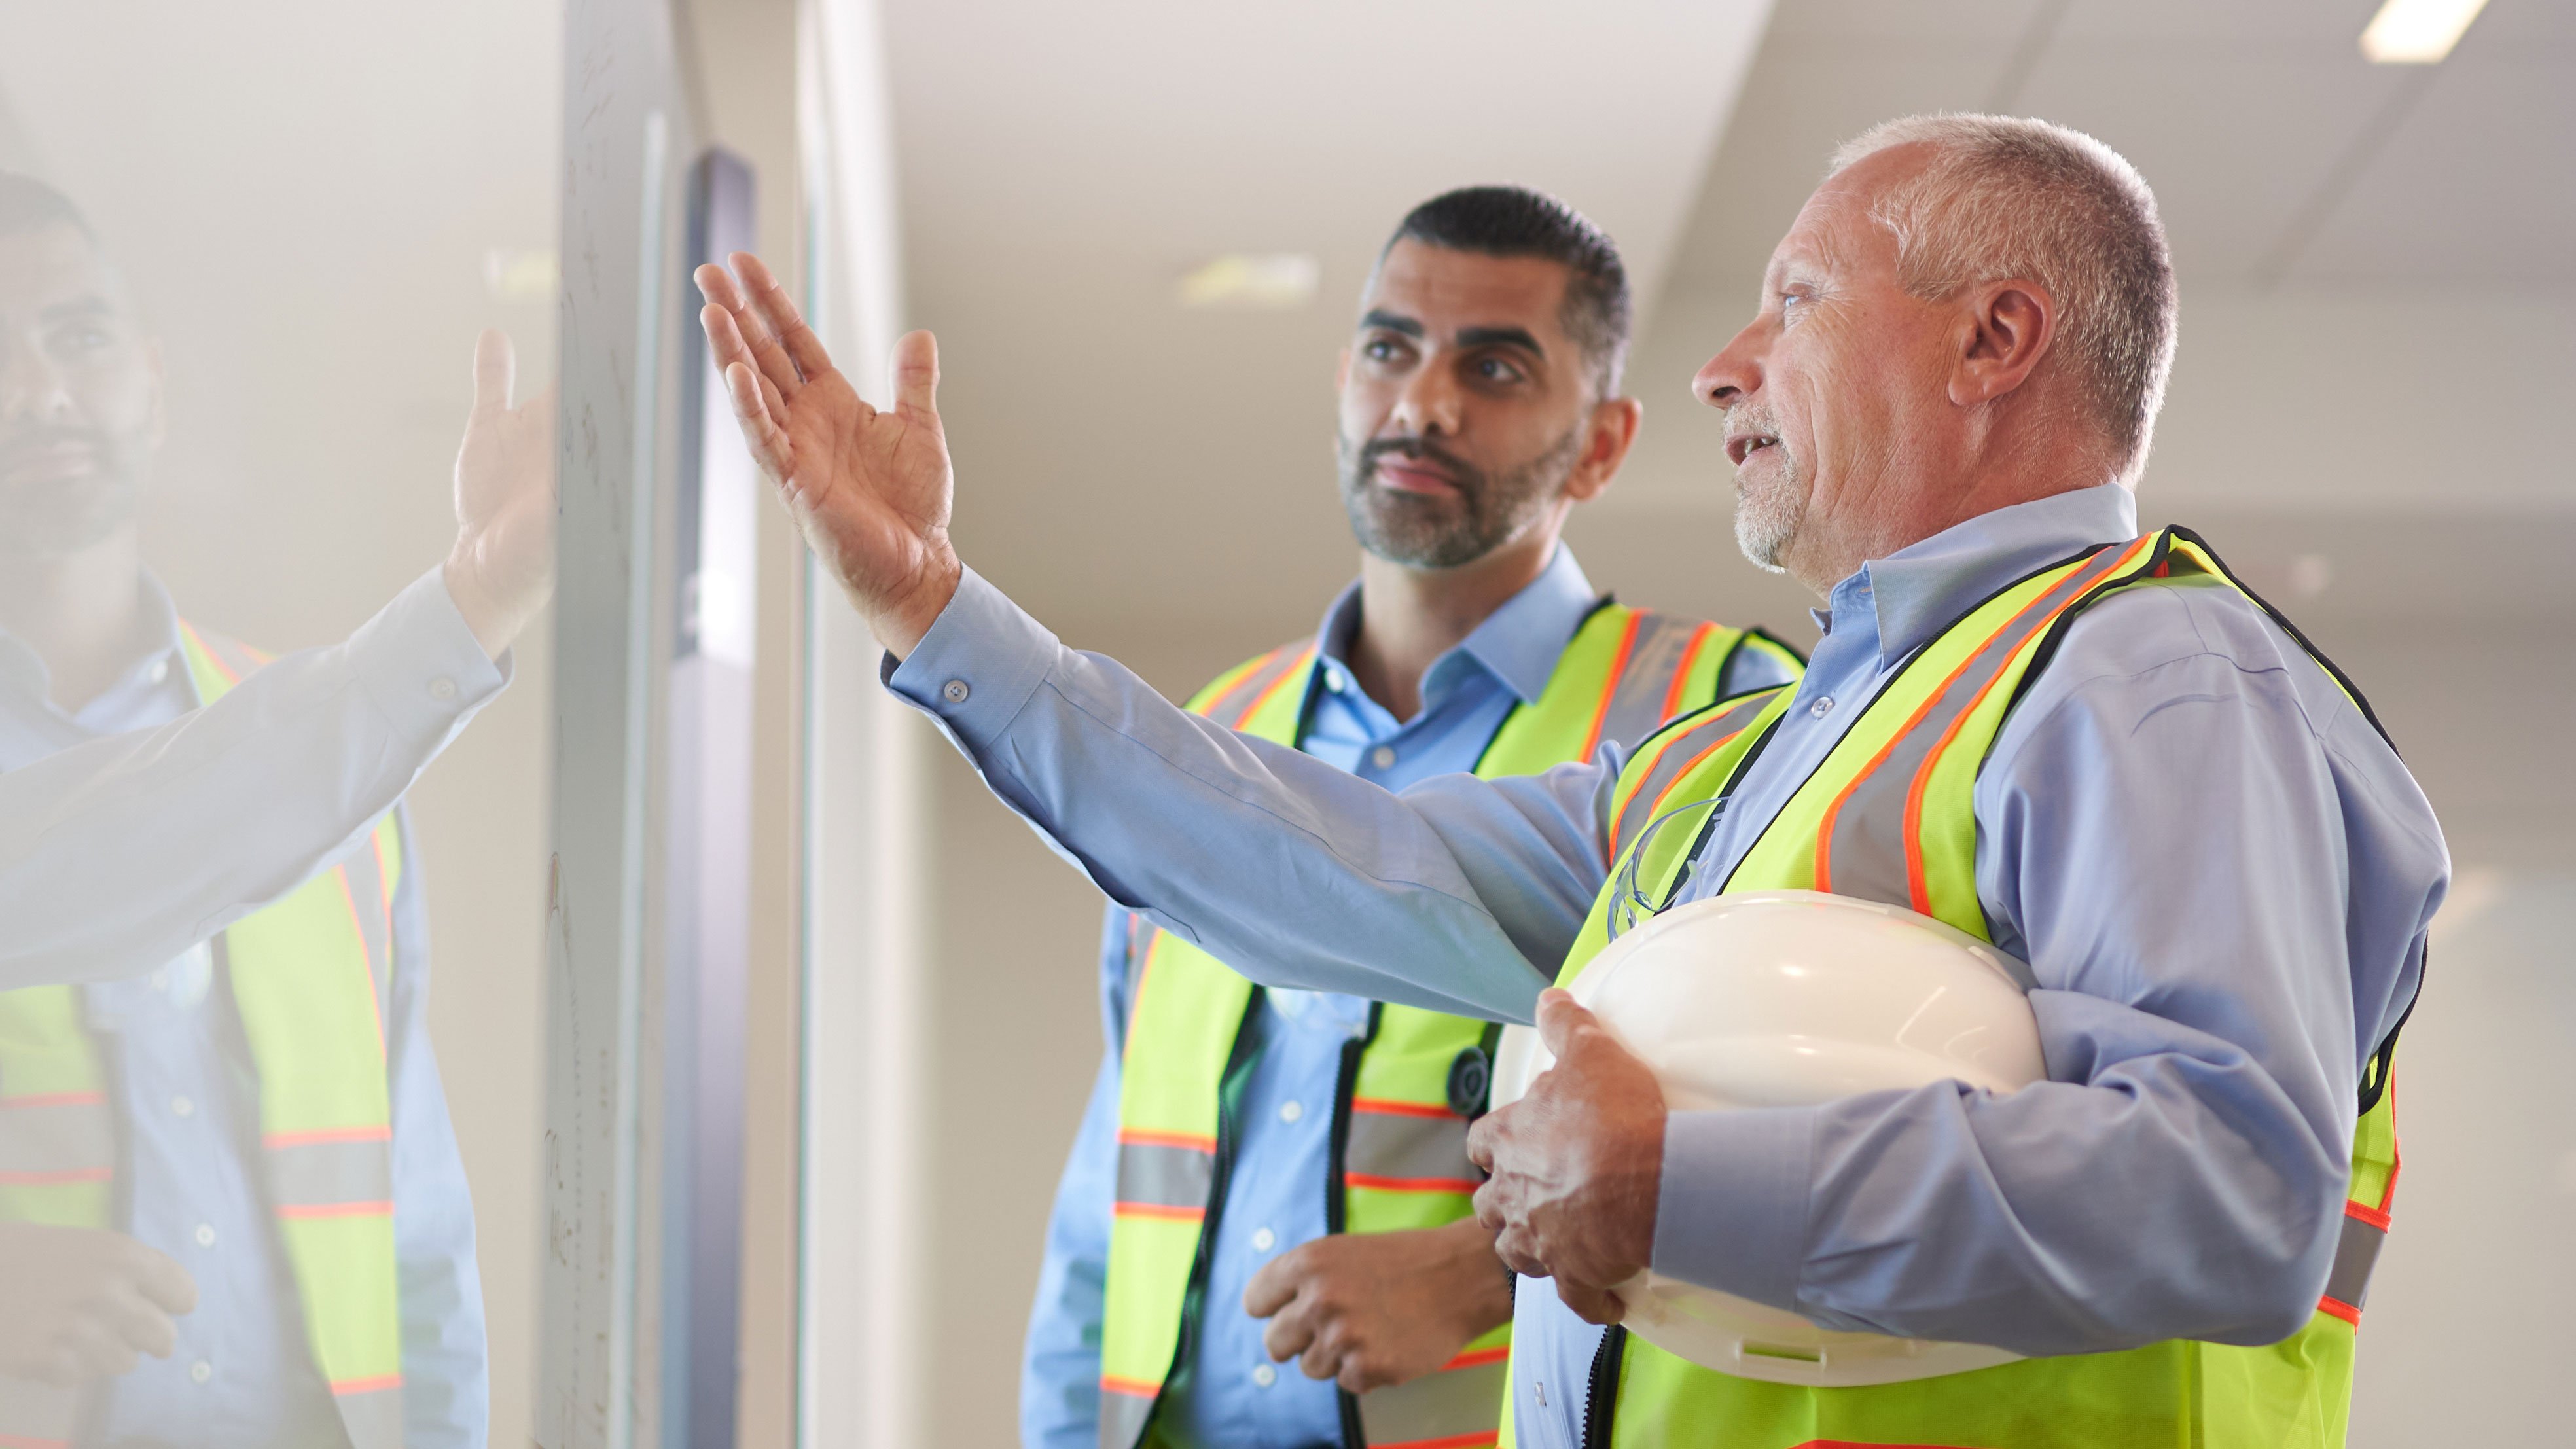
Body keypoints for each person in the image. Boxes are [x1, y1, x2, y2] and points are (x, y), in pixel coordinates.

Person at [697, 111, 2444, 1448]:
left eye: (1796, 302)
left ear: (1996, 340)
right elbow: (1321, 853)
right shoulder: (1735, 763)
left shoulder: (2149, 679)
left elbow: (2231, 1185)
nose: (1723, 367)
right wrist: (925, 597)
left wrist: (1674, 1184)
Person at [1016, 187, 1801, 1449]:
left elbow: (1795, 1115)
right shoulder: (1216, 728)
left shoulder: (1723, 710)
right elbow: (1118, 1163)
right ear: (1345, 379)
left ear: (1601, 443)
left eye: (1493, 365)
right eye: (1391, 349)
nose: (1422, 402)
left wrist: (1481, 1268)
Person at [0, 171, 551, 1449]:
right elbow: (148, 837)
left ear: (152, 374)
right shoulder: (303, 762)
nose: (38, 391)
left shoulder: (318, 770)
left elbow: (411, 1216)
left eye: (75, 336)